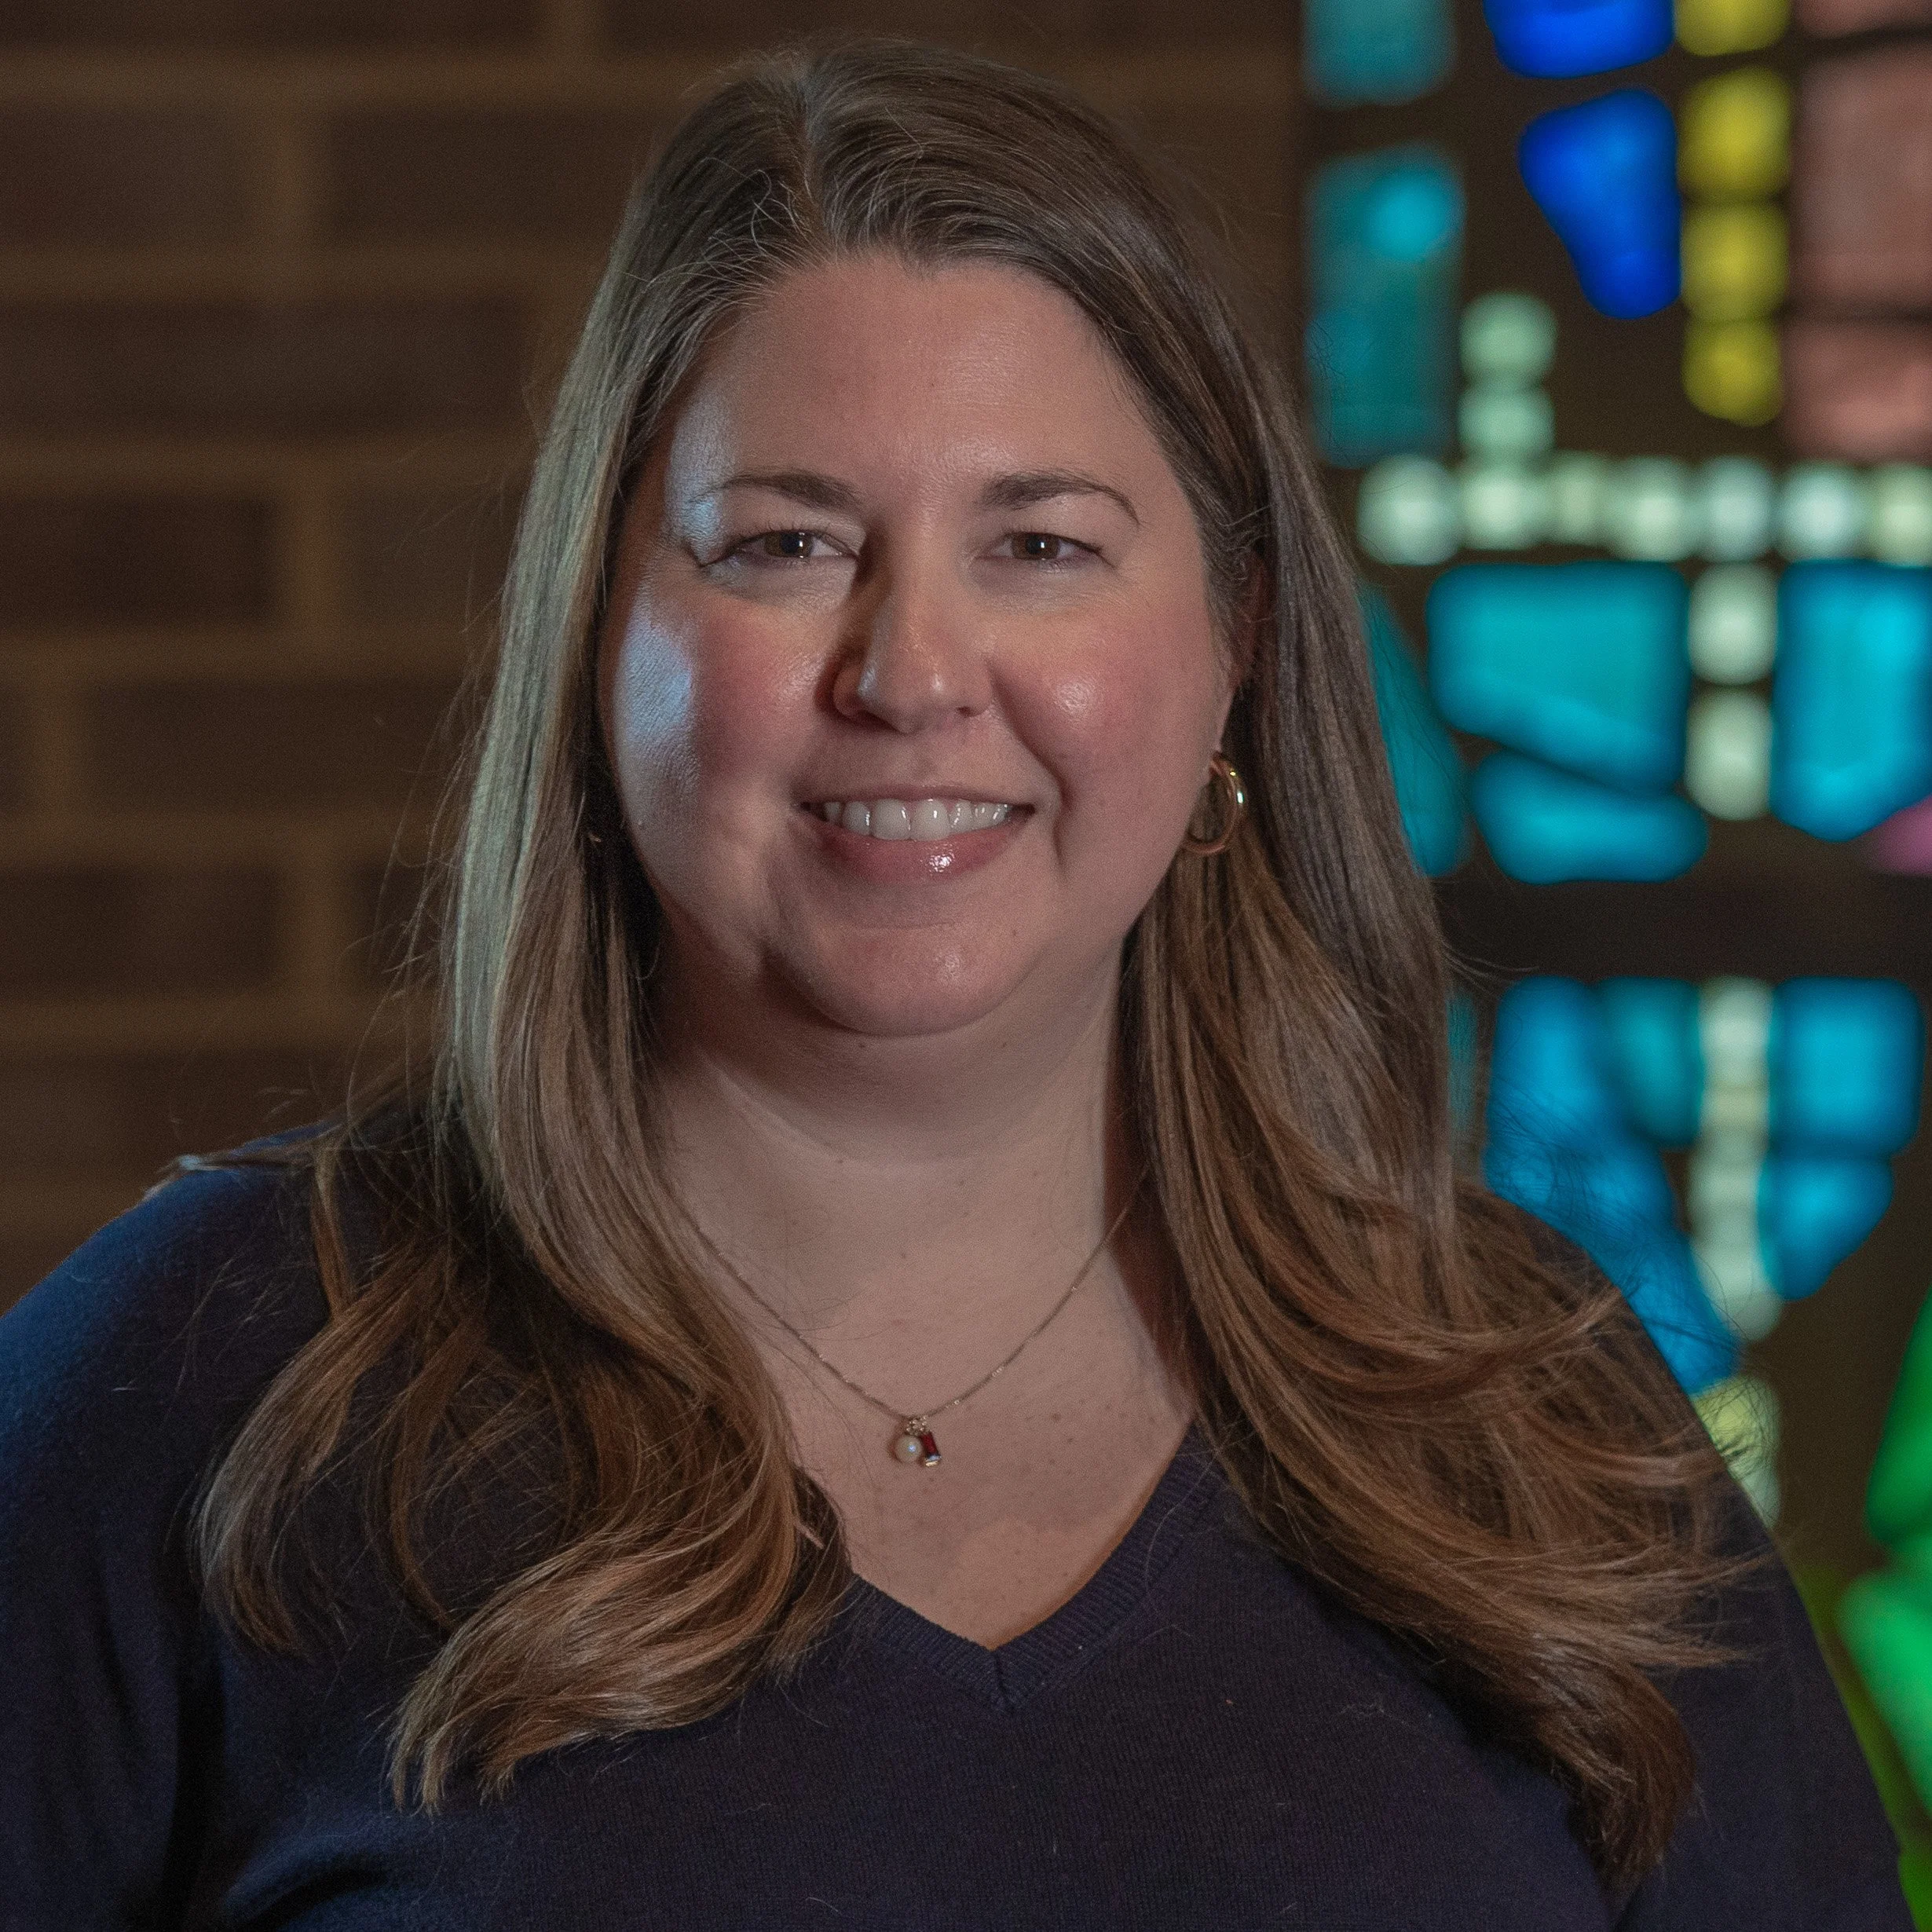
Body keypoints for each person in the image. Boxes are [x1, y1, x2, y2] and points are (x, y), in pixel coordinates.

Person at [0, 40, 1908, 1932]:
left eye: (1042, 544)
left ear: (1235, 645)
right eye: (786, 542)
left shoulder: (1538, 1427)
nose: (911, 669)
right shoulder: (199, 1398)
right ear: (605, 635)